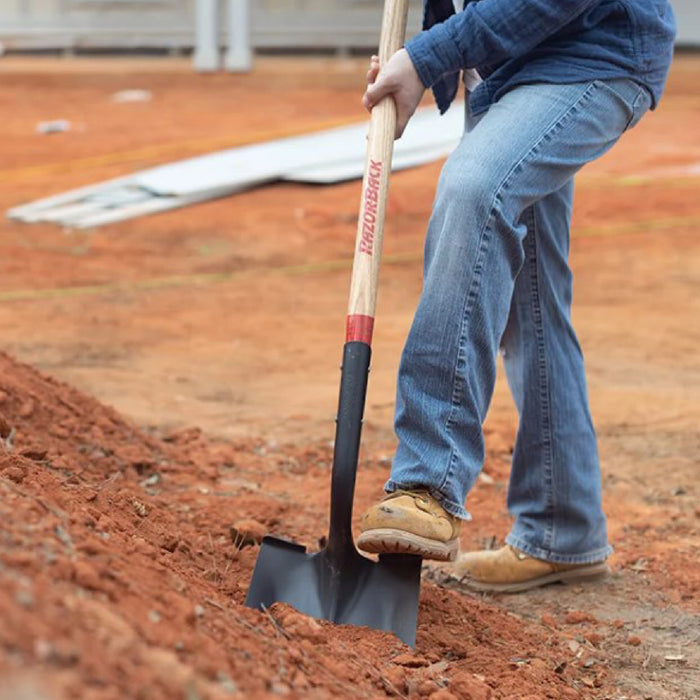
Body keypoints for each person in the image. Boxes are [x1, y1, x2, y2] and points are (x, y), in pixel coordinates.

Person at [356, 0, 676, 592]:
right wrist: (424, 53)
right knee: (534, 302)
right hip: (507, 69)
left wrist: (427, 57)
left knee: (476, 187)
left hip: (588, 55)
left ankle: (428, 483)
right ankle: (564, 528)